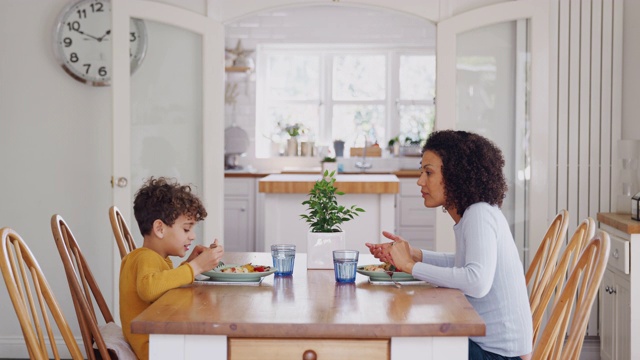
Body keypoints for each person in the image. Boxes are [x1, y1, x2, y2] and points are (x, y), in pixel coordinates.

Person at [366, 130, 532, 360]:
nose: (420, 181)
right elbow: (462, 264)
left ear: (456, 176)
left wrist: (410, 267)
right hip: (491, 347)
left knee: (404, 343)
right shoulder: (474, 213)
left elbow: (476, 282)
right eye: (421, 171)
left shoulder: (479, 214)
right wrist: (414, 255)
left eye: (429, 172)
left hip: (497, 355)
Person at [120, 177, 224, 360]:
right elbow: (149, 289)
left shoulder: (156, 259)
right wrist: (196, 267)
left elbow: (163, 286)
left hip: (162, 344)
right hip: (156, 350)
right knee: (218, 345)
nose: (192, 236)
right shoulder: (144, 257)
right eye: (186, 229)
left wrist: (189, 264)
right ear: (159, 228)